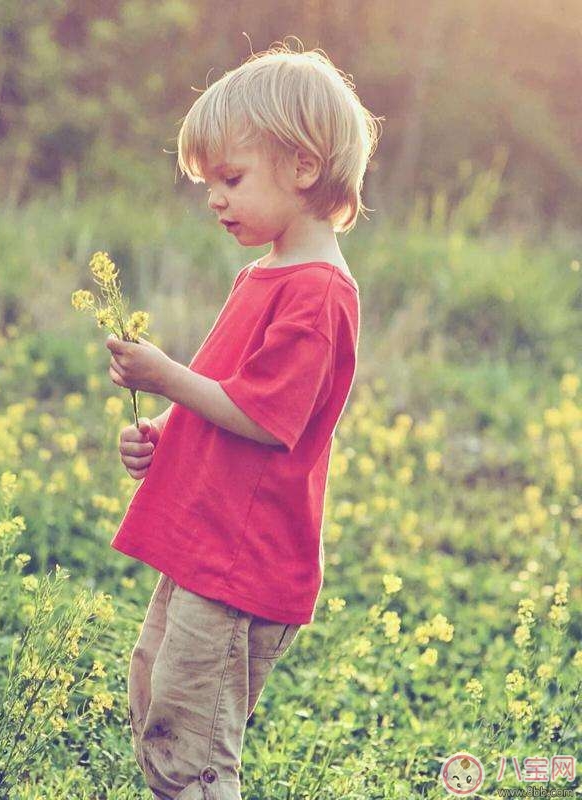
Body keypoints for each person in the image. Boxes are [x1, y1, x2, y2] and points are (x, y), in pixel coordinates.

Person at [103, 41, 381, 799]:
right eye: (209, 184)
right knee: (156, 694)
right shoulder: (265, 275)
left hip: (241, 563)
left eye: (230, 178)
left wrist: (166, 377)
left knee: (192, 742)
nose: (216, 199)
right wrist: (167, 435)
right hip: (208, 542)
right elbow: (234, 395)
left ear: (302, 166)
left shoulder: (319, 294)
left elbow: (264, 419)